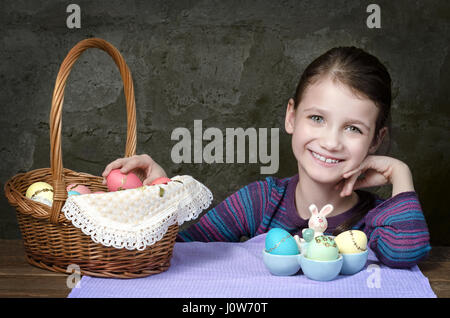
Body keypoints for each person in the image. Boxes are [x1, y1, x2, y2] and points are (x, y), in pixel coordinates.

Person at [102, 47, 431, 268]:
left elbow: (406, 254)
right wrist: (161, 191)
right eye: (317, 118)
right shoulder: (259, 202)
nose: (331, 142)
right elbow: (182, 249)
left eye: (353, 129)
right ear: (291, 117)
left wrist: (400, 174)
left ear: (376, 140)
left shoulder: (378, 220)